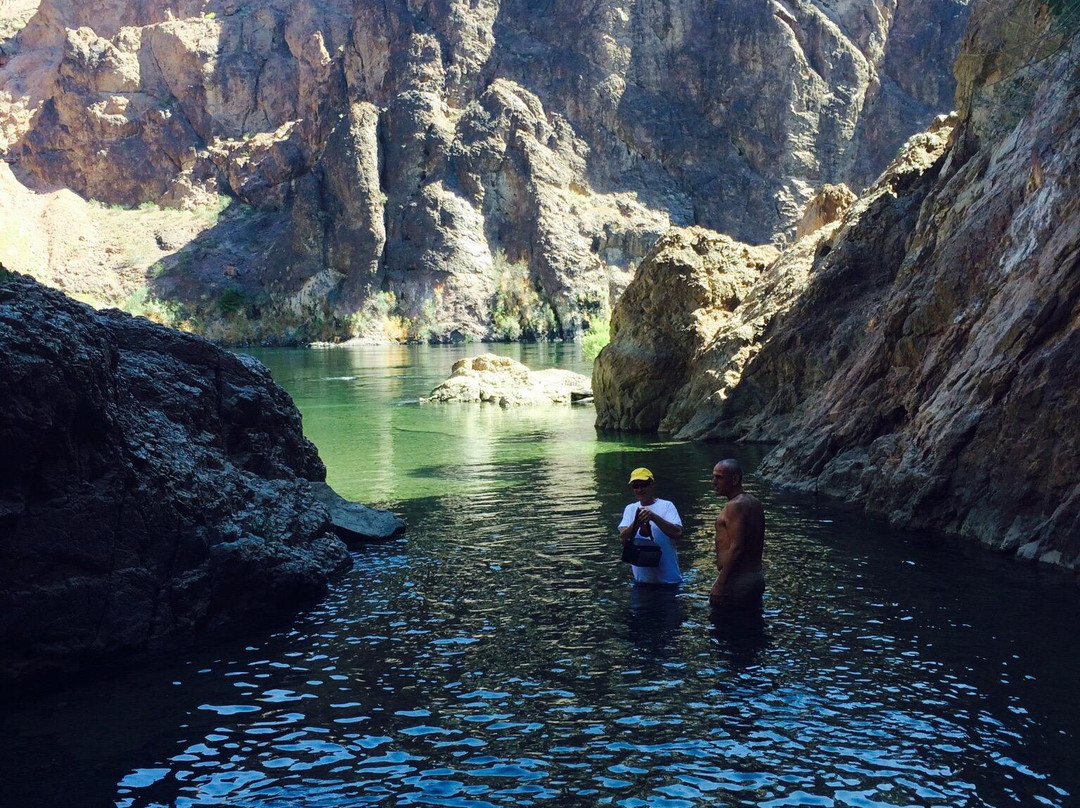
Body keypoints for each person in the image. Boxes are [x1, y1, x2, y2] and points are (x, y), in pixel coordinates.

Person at [710, 458, 765, 610]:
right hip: (754, 576)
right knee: (750, 627)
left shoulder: (734, 505)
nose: (714, 482)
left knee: (727, 630)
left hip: (738, 579)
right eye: (714, 476)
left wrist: (720, 583)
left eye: (719, 477)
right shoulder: (754, 502)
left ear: (735, 479)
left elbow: (737, 547)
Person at [618, 467, 683, 585]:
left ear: (652, 485)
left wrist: (653, 517)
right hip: (641, 583)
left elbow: (678, 533)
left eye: (644, 485)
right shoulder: (630, 508)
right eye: (635, 486)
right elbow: (623, 539)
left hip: (669, 582)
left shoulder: (667, 505)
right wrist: (637, 522)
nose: (640, 489)